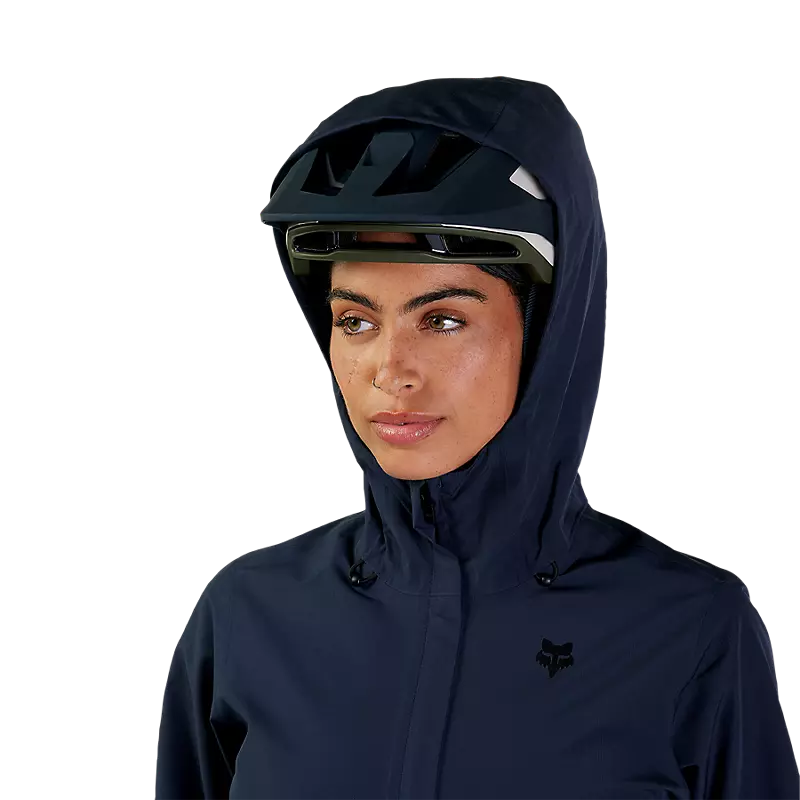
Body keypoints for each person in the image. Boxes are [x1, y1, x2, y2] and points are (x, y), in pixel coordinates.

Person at [155, 76, 800, 798]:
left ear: (548, 333)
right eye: (355, 321)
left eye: (443, 320)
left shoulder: (690, 629)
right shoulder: (245, 618)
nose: (389, 371)